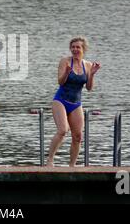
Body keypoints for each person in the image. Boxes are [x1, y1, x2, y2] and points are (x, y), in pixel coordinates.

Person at [47, 36, 101, 167]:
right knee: (62, 130)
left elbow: (88, 88)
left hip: (76, 103)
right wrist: (66, 72)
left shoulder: (87, 65)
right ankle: (49, 161)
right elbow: (60, 82)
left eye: (78, 47)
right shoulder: (65, 61)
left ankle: (72, 166)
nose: (75, 49)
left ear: (83, 49)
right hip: (60, 100)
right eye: (73, 47)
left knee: (78, 136)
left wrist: (92, 74)